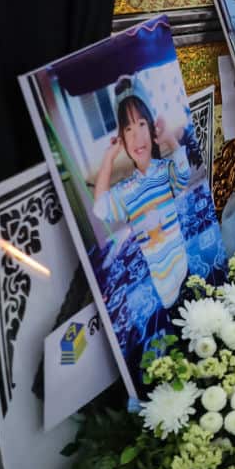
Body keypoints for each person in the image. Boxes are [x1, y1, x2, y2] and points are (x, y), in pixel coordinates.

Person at [93, 87, 191, 310]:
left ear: (151, 128)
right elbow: (100, 208)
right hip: (160, 287)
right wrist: (109, 158)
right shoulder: (126, 190)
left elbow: (184, 176)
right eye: (128, 129)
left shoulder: (165, 169)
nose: (137, 136)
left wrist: (168, 139)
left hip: (183, 265)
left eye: (141, 124)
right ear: (123, 142)